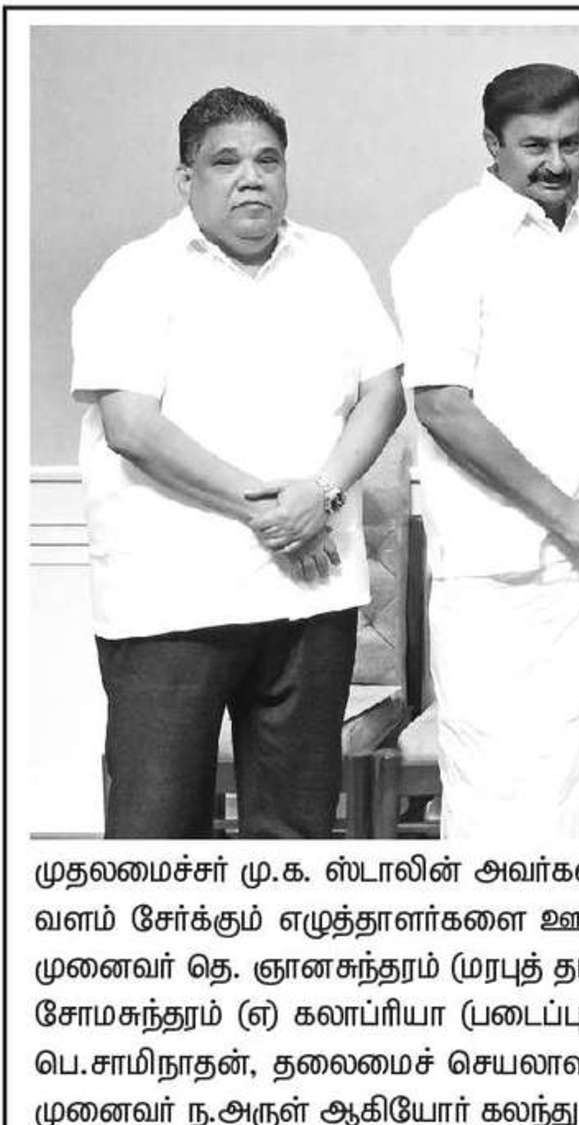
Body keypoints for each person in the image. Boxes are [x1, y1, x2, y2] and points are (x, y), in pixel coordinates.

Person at [73, 87, 406, 838]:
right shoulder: (134, 274)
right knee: (157, 839)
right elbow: (131, 427)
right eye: (226, 162)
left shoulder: (332, 262)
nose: (251, 177)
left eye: (268, 160)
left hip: (309, 597)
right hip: (171, 606)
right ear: (185, 179)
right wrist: (275, 511)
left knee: (294, 834)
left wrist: (320, 494)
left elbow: (385, 390)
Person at [391, 63, 579, 839]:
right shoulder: (447, 242)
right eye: (535, 145)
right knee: (512, 800)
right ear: (492, 143)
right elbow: (442, 404)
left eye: (571, 143)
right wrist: (567, 515)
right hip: (501, 582)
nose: (556, 162)